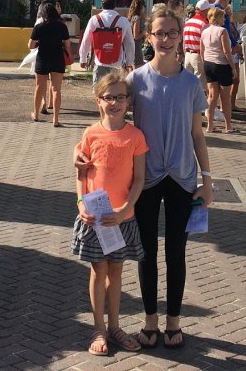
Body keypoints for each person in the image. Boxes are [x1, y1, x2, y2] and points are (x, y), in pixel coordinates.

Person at [78, 6, 213, 351]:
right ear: (147, 37)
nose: (165, 39)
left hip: (183, 176)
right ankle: (150, 321)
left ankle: (174, 322)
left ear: (180, 36)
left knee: (177, 252)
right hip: (146, 178)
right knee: (146, 252)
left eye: (171, 33)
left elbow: (198, 134)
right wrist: (82, 154)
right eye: (159, 33)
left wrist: (207, 177)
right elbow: (111, 118)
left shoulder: (191, 82)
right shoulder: (136, 80)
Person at [72, 71, 148, 356]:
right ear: (98, 101)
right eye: (108, 97)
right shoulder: (90, 133)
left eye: (119, 97)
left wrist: (126, 208)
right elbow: (82, 173)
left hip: (121, 218)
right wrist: (80, 202)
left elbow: (139, 179)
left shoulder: (135, 136)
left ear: (128, 102)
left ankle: (115, 326)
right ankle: (99, 328)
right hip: (95, 219)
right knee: (98, 270)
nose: (114, 102)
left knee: (115, 272)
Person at [29, 1, 72, 126]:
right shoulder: (62, 26)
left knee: (39, 87)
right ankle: (56, 119)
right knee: (56, 89)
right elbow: (67, 44)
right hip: (58, 58)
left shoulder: (39, 26)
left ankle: (36, 114)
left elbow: (30, 45)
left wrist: (39, 43)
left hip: (43, 58)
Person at [78, 0, 135, 85]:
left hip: (100, 62)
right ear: (115, 6)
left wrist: (83, 59)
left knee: (99, 92)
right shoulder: (123, 21)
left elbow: (86, 40)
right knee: (115, 93)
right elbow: (130, 44)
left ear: (102, 6)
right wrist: (129, 62)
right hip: (117, 63)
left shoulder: (94, 20)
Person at [200, 7, 239, 133]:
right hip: (221, 64)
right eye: (223, 17)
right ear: (218, 18)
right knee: (225, 97)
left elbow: (202, 50)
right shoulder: (222, 31)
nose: (224, 19)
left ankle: (210, 126)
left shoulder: (204, 31)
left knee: (211, 97)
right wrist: (233, 67)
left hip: (208, 63)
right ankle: (228, 126)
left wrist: (205, 62)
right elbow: (226, 51)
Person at [182, 0, 210, 92]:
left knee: (187, 84)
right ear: (204, 11)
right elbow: (206, 43)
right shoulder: (204, 24)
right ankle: (200, 105)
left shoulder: (188, 22)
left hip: (188, 54)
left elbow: (184, 41)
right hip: (198, 55)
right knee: (200, 85)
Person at [127, 0, 148, 67]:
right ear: (141, 7)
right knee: (137, 67)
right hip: (136, 48)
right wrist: (144, 31)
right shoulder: (137, 18)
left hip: (130, 47)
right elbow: (136, 36)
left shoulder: (131, 17)